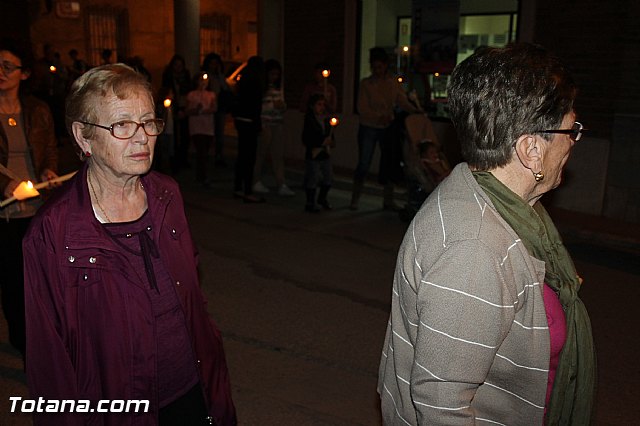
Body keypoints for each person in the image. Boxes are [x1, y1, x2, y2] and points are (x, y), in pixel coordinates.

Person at [378, 43, 597, 425]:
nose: (573, 141)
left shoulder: (496, 199)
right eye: (570, 129)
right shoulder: (475, 249)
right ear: (531, 149)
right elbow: (441, 405)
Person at [23, 63, 237, 425]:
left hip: (194, 388)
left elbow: (193, 296)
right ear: (83, 136)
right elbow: (49, 364)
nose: (142, 137)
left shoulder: (167, 195)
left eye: (149, 121)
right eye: (122, 125)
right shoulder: (51, 233)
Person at [0, 37, 59, 359]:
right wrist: (3, 185)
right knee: (13, 282)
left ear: (24, 73)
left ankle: (43, 338)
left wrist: (50, 170)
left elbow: (50, 147)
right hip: (5, 213)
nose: (1, 71)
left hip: (38, 208)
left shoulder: (38, 108)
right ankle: (25, 344)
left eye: (8, 66)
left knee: (42, 280)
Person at [350, 47, 419, 211]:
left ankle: (388, 200)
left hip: (387, 128)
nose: (377, 71)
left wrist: (416, 110)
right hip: (369, 127)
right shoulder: (366, 84)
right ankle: (355, 198)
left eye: (379, 67)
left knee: (389, 162)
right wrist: (378, 116)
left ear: (385, 66)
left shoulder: (392, 82)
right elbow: (362, 107)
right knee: (364, 163)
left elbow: (401, 100)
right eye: (374, 67)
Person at [253, 59, 295, 196]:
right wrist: (272, 106)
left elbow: (282, 105)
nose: (274, 77)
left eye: (277, 75)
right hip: (265, 124)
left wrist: (282, 106)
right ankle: (255, 180)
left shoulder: (277, 89)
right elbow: (259, 108)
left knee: (278, 155)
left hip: (277, 123)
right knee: (261, 154)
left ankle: (281, 183)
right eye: (272, 74)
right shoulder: (261, 88)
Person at [232, 55, 265, 203]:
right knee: (249, 157)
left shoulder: (243, 80)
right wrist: (258, 125)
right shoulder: (256, 83)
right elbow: (256, 107)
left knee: (242, 156)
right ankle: (247, 191)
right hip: (250, 122)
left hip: (241, 120)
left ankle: (238, 188)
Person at [301, 94, 334, 212]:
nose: (321, 107)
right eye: (319, 104)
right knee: (313, 177)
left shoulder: (325, 120)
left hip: (324, 154)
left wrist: (330, 141)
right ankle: (310, 202)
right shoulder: (309, 120)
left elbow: (330, 135)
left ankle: (322, 198)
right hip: (314, 154)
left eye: (323, 105)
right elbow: (306, 138)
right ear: (312, 106)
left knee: (328, 177)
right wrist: (320, 142)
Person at [186, 71, 217, 186]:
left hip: (208, 127)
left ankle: (201, 174)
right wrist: (196, 110)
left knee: (205, 152)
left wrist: (203, 110)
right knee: (201, 151)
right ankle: (202, 176)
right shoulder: (192, 95)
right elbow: (187, 111)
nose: (204, 82)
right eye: (201, 80)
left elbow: (214, 108)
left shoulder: (211, 94)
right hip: (196, 127)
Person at [202, 52, 233, 167]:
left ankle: (218, 155)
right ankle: (207, 156)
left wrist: (220, 75)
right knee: (208, 133)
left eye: (216, 64)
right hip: (208, 107)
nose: (214, 66)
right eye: (212, 63)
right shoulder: (205, 76)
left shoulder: (219, 76)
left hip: (219, 107)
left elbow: (225, 88)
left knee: (219, 133)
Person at [161, 54, 192, 171]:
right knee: (173, 136)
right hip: (173, 108)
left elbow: (188, 91)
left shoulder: (186, 77)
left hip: (184, 107)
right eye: (176, 65)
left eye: (180, 65)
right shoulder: (168, 76)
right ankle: (174, 160)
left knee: (185, 135)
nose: (178, 67)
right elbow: (166, 91)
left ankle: (183, 158)